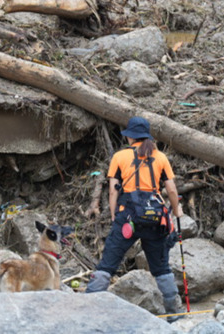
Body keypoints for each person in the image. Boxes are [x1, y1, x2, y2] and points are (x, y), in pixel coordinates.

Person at [85, 116, 184, 322]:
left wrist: (114, 214)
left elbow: (113, 190)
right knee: (161, 267)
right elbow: (172, 189)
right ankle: (175, 315)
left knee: (107, 264)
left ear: (130, 137)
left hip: (127, 218)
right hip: (155, 219)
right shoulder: (160, 157)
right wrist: (176, 212)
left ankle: (88, 308)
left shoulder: (120, 157)